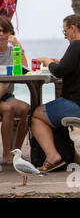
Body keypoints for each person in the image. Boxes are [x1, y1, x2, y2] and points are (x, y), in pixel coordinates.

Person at [31, 14, 80, 172]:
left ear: (72, 29)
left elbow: (58, 72)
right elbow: (74, 68)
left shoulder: (77, 45)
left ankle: (52, 156)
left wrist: (48, 62)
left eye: (65, 32)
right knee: (53, 116)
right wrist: (59, 63)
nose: (65, 37)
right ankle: (72, 156)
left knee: (36, 115)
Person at [0, 16, 30, 165]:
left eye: (4, 31)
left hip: (6, 95)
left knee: (27, 109)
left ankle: (16, 151)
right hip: (3, 100)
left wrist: (17, 43)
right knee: (8, 109)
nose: (1, 34)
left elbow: (25, 70)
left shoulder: (13, 50)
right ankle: (6, 154)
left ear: (10, 33)